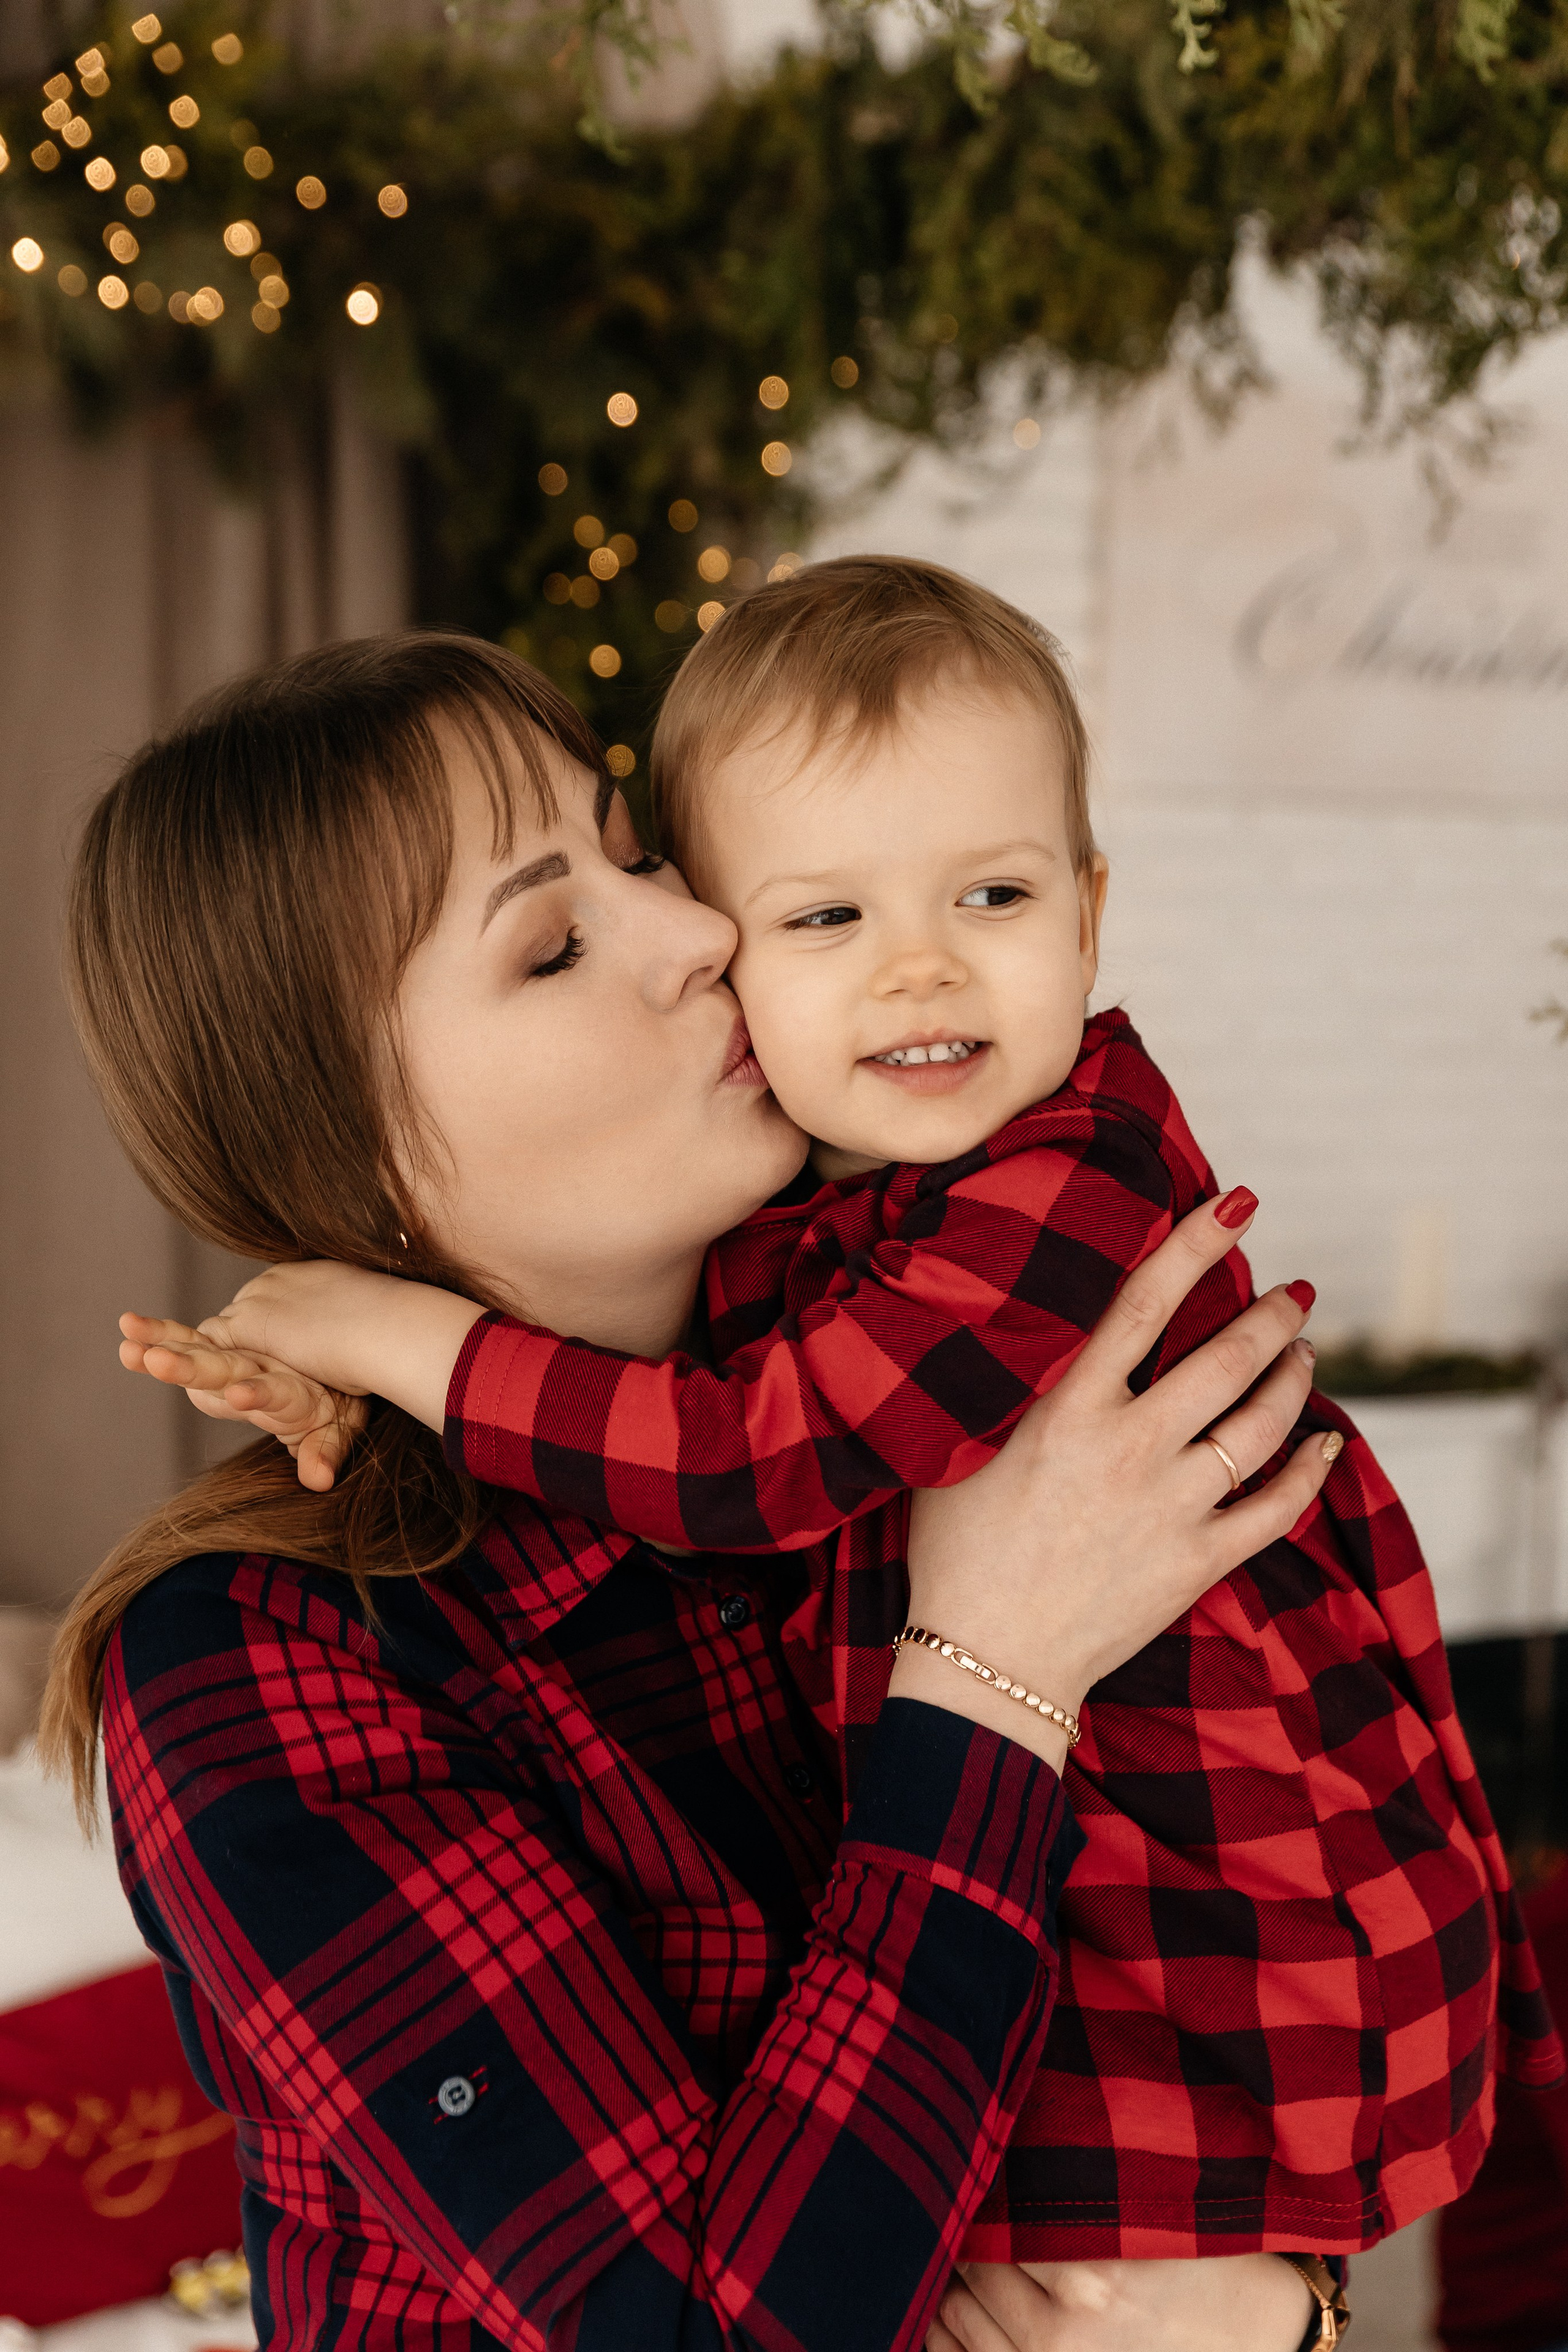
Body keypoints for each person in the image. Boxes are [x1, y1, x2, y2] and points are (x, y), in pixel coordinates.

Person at [137, 566, 1558, 2290]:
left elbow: (1196, 1986)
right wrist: (990, 1666)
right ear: (350, 1153)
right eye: (557, 941)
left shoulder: (895, 1301)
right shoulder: (260, 1659)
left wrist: (1276, 2318)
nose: (702, 932)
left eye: (636, 851)